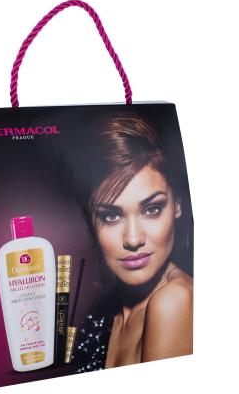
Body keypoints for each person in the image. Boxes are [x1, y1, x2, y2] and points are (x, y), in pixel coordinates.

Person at [72, 113, 193, 372]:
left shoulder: (173, 301)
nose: (134, 239)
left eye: (152, 209)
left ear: (178, 205)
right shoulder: (108, 307)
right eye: (111, 216)